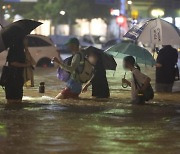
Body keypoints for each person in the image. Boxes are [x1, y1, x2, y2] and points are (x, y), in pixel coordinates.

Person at [5, 37, 31, 103]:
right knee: (12, 101)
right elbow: (13, 62)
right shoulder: (15, 49)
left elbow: (31, 61)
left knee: (18, 101)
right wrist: (26, 65)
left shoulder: (22, 50)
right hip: (12, 79)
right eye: (25, 38)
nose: (27, 40)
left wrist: (26, 47)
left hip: (18, 78)